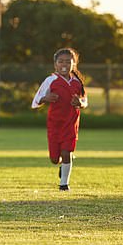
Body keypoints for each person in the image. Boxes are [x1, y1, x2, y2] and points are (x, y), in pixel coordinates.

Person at [32, 48, 88, 191]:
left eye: (67, 61)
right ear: (55, 64)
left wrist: (80, 104)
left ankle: (64, 184)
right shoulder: (51, 80)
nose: (64, 64)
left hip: (71, 123)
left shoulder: (78, 82)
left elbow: (85, 101)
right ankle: (64, 164)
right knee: (55, 159)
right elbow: (36, 101)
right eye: (60, 61)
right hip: (55, 124)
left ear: (73, 64)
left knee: (66, 152)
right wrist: (46, 98)